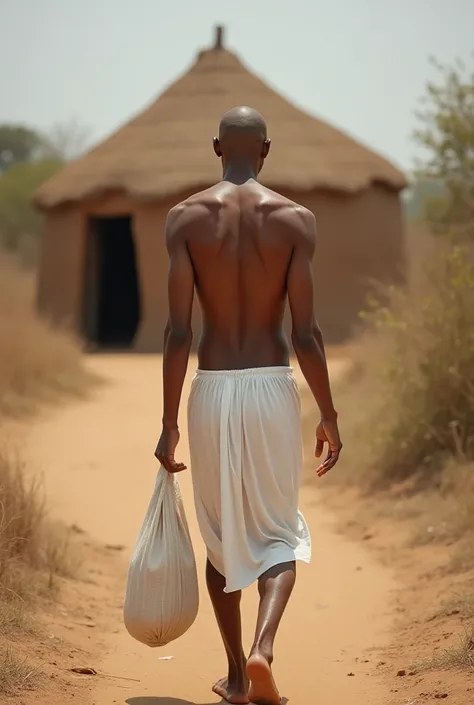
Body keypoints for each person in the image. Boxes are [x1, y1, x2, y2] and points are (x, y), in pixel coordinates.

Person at [155, 106, 342, 705]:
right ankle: (264, 649)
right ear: (266, 150)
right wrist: (330, 416)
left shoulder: (184, 219)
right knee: (277, 534)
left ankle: (236, 675)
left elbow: (177, 332)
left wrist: (166, 425)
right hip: (271, 386)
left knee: (222, 537)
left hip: (211, 388)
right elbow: (306, 332)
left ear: (216, 148)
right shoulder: (295, 221)